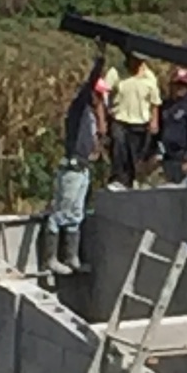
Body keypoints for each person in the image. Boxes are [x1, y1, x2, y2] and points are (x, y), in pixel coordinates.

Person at [43, 50, 110, 277]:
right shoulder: (79, 109)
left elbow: (99, 136)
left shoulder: (92, 115)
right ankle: (51, 258)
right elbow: (89, 83)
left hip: (82, 169)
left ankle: (72, 257)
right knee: (61, 212)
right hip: (71, 168)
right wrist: (100, 62)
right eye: (99, 96)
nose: (102, 100)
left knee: (76, 214)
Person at [108, 50, 161, 187]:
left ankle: (130, 182)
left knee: (134, 155)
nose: (138, 64)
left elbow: (155, 102)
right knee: (119, 146)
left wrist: (154, 121)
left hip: (140, 122)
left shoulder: (150, 77)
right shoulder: (116, 72)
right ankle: (117, 179)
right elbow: (103, 89)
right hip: (120, 118)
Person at [156, 71, 187, 187]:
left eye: (183, 85)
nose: (180, 88)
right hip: (169, 159)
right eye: (177, 84)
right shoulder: (165, 106)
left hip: (186, 158)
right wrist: (157, 153)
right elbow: (158, 131)